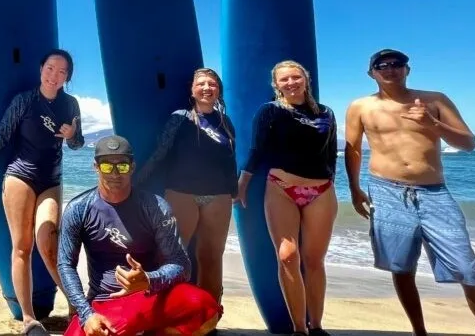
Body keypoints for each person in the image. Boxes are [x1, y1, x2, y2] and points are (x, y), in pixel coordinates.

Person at [344, 49, 475, 336]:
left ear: (408, 69)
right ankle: (419, 331)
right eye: (382, 65)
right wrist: (355, 189)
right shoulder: (360, 106)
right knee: (402, 267)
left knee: (467, 269)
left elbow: (468, 143)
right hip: (386, 189)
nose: (390, 69)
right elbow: (353, 149)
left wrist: (433, 123)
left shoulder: (435, 100)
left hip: (434, 192)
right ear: (372, 73)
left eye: (397, 64)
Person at [57, 135, 222, 336]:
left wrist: (149, 280)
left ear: (132, 167)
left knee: (206, 308)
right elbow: (65, 265)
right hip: (105, 302)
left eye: (122, 166)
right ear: (96, 167)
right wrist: (86, 314)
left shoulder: (155, 207)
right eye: (107, 166)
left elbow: (181, 264)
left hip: (151, 297)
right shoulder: (78, 209)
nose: (115, 173)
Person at [0, 49, 84, 333]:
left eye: (62, 71)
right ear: (41, 68)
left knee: (49, 245)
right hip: (19, 175)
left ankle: (77, 305)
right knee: (22, 246)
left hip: (51, 180)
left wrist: (73, 136)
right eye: (50, 68)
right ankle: (29, 318)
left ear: (67, 77)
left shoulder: (71, 104)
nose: (54, 75)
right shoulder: (24, 100)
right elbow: (2, 136)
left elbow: (77, 144)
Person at [236, 60, 338, 336]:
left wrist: (334, 182)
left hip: (321, 191)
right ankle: (299, 328)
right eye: (284, 79)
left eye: (296, 77)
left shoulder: (326, 113)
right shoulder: (270, 111)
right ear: (276, 85)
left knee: (314, 261)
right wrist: (243, 183)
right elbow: (257, 149)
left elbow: (330, 153)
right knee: (288, 256)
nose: (291, 83)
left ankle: (316, 326)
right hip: (282, 187)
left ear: (306, 80)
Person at [135, 67, 236, 305]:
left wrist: (234, 191)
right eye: (201, 84)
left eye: (212, 84)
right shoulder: (180, 117)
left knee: (212, 258)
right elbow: (160, 153)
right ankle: (166, 311)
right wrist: (136, 183)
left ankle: (209, 313)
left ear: (219, 90)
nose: (207, 88)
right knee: (173, 257)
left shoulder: (225, 121)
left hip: (218, 196)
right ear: (192, 90)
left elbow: (230, 160)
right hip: (182, 193)